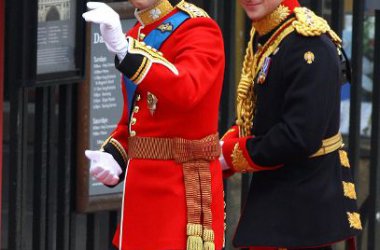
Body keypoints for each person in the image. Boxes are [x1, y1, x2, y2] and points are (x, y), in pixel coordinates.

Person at [82, 1, 225, 249]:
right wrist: (115, 153)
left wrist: (126, 51)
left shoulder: (199, 28)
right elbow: (135, 120)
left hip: (180, 192)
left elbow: (187, 89)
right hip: (140, 197)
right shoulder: (138, 33)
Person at [219, 0, 362, 249]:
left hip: (305, 206)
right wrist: (225, 142)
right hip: (278, 198)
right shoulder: (267, 31)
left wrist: (229, 155)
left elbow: (298, 137)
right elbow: (258, 112)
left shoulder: (309, 42)